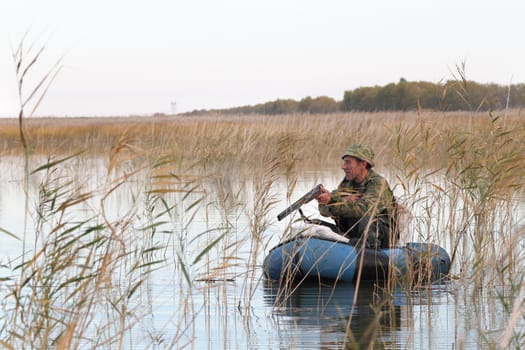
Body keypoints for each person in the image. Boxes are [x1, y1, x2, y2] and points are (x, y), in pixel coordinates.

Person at [315, 144, 398, 249]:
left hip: (384, 235)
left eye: (348, 162)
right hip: (356, 234)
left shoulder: (377, 183)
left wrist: (333, 200)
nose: (343, 167)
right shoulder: (347, 183)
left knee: (366, 222)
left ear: (363, 164)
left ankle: (373, 257)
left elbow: (365, 210)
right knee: (317, 225)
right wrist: (325, 201)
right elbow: (325, 212)